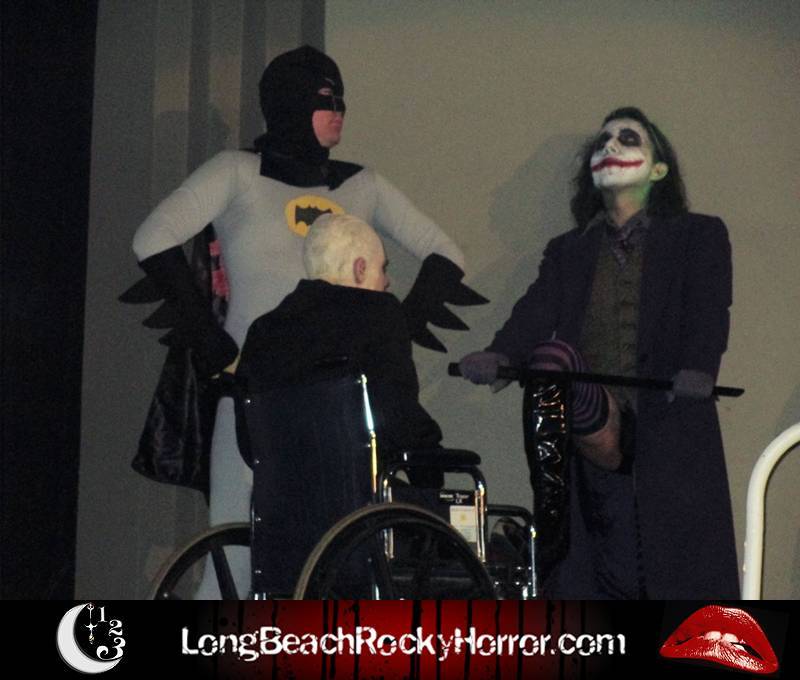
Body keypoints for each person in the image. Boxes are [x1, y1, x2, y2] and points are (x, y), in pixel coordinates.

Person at [132, 46, 465, 597]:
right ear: (290, 103)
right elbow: (152, 238)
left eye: (342, 99)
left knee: (334, 561)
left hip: (333, 407)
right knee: (235, 561)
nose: (339, 111)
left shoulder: (361, 185)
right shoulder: (237, 173)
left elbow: (446, 254)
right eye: (325, 99)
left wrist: (389, 331)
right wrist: (213, 344)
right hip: (254, 396)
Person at [459, 107, 738, 599]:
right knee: (552, 360)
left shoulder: (698, 235)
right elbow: (535, 311)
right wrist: (500, 355)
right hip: (595, 419)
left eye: (628, 139)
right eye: (602, 141)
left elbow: (708, 308)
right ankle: (553, 518)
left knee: (667, 572)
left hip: (665, 424)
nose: (609, 146)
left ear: (659, 169)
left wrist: (699, 368)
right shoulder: (569, 250)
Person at [235, 214, 453, 596]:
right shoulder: (379, 314)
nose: (386, 282)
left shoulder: (264, 331)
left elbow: (248, 440)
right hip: (362, 521)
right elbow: (400, 418)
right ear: (359, 269)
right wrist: (431, 472)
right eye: (383, 269)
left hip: (284, 527)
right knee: (470, 533)